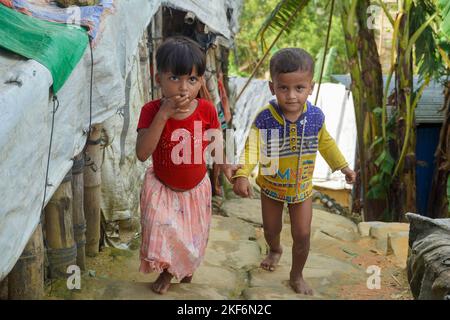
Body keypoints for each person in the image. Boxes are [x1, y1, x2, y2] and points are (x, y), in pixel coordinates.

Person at [232, 48, 356, 295]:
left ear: (310, 87)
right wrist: (242, 174)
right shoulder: (265, 119)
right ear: (272, 87)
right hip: (271, 186)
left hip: (301, 189)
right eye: (283, 88)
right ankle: (275, 248)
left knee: (302, 234)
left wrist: (343, 167)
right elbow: (252, 148)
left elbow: (326, 143)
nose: (291, 96)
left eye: (299, 88)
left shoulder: (315, 118)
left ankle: (296, 275)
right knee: (271, 229)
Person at [135, 36, 236, 294]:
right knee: (162, 228)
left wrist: (227, 167)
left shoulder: (207, 110)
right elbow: (142, 153)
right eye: (174, 79)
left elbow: (216, 143)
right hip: (162, 188)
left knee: (191, 237)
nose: (183, 88)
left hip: (195, 189)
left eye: (191, 80)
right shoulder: (150, 110)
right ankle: (169, 271)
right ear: (159, 80)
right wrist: (164, 115)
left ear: (201, 81)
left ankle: (183, 267)